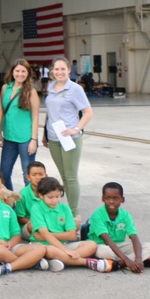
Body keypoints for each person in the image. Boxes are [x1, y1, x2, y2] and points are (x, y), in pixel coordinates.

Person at [43, 56, 93, 220]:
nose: (59, 72)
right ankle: (66, 210)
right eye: (56, 69)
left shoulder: (75, 88)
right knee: (63, 175)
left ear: (69, 70)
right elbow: (50, 112)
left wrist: (76, 128)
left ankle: (73, 213)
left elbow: (88, 112)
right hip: (53, 137)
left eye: (62, 69)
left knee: (71, 176)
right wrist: (45, 133)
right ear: (52, 71)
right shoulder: (51, 87)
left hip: (69, 138)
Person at [0, 172, 47, 276]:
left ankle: (9, 266)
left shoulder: (7, 209)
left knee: (40, 248)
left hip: (9, 247)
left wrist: (9, 244)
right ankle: (30, 263)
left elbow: (16, 234)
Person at [30, 177, 111, 272]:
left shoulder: (64, 208)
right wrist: (66, 250)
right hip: (42, 245)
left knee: (92, 245)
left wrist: (63, 247)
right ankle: (87, 262)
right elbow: (44, 233)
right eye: (50, 197)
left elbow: (71, 235)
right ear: (41, 195)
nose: (55, 201)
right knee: (50, 250)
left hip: (62, 244)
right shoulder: (36, 208)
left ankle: (61, 260)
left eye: (58, 196)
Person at [88, 182, 150, 272]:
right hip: (101, 245)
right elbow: (107, 240)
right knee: (105, 252)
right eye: (107, 198)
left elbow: (134, 237)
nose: (111, 201)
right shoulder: (97, 215)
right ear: (102, 199)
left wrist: (138, 258)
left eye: (116, 198)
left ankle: (118, 264)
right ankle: (130, 262)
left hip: (119, 245)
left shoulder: (125, 215)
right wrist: (127, 259)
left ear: (122, 199)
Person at [0, 59, 40, 191]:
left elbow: (35, 117)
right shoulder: (5, 88)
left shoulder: (31, 92)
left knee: (28, 176)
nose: (20, 74)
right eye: (17, 71)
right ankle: (10, 205)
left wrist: (33, 140)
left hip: (25, 138)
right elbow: (1, 112)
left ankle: (28, 207)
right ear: (12, 72)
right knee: (3, 174)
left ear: (28, 73)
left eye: (23, 71)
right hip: (9, 138)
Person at [15, 161, 48, 239]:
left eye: (41, 174)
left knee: (75, 222)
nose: (38, 178)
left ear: (46, 176)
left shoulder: (50, 190)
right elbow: (20, 218)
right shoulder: (23, 194)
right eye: (34, 175)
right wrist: (40, 223)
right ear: (28, 177)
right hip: (31, 225)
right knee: (32, 226)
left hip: (49, 222)